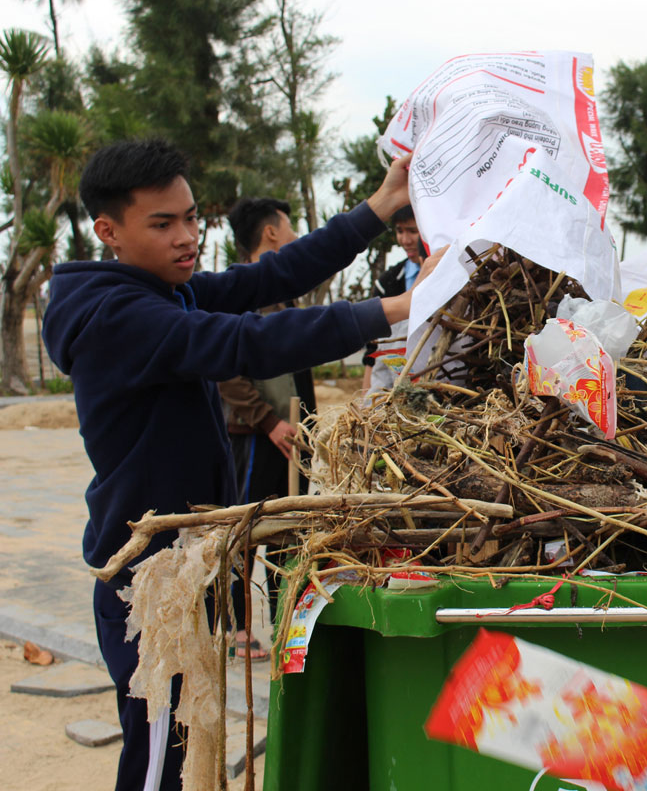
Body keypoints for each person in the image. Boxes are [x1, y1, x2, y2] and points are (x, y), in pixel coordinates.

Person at [41, 138, 438, 791]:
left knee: (182, 746)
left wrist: (378, 206)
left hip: (186, 564)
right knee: (158, 763)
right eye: (163, 223)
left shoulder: (167, 292)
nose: (186, 236)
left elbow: (270, 278)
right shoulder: (117, 314)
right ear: (108, 230)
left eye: (191, 217)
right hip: (149, 582)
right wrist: (395, 309)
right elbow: (246, 340)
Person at [218, 197, 316, 657]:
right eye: (290, 226)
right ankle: (237, 628)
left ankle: (283, 623)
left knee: (287, 531)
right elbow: (226, 375)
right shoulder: (238, 297)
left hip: (293, 435)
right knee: (246, 531)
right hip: (257, 436)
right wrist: (269, 421)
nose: (295, 234)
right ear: (271, 233)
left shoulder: (282, 296)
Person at [362, 205, 427, 393]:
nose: (405, 240)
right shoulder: (388, 283)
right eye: (400, 231)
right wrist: (366, 402)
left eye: (412, 231)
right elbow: (374, 348)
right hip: (396, 379)